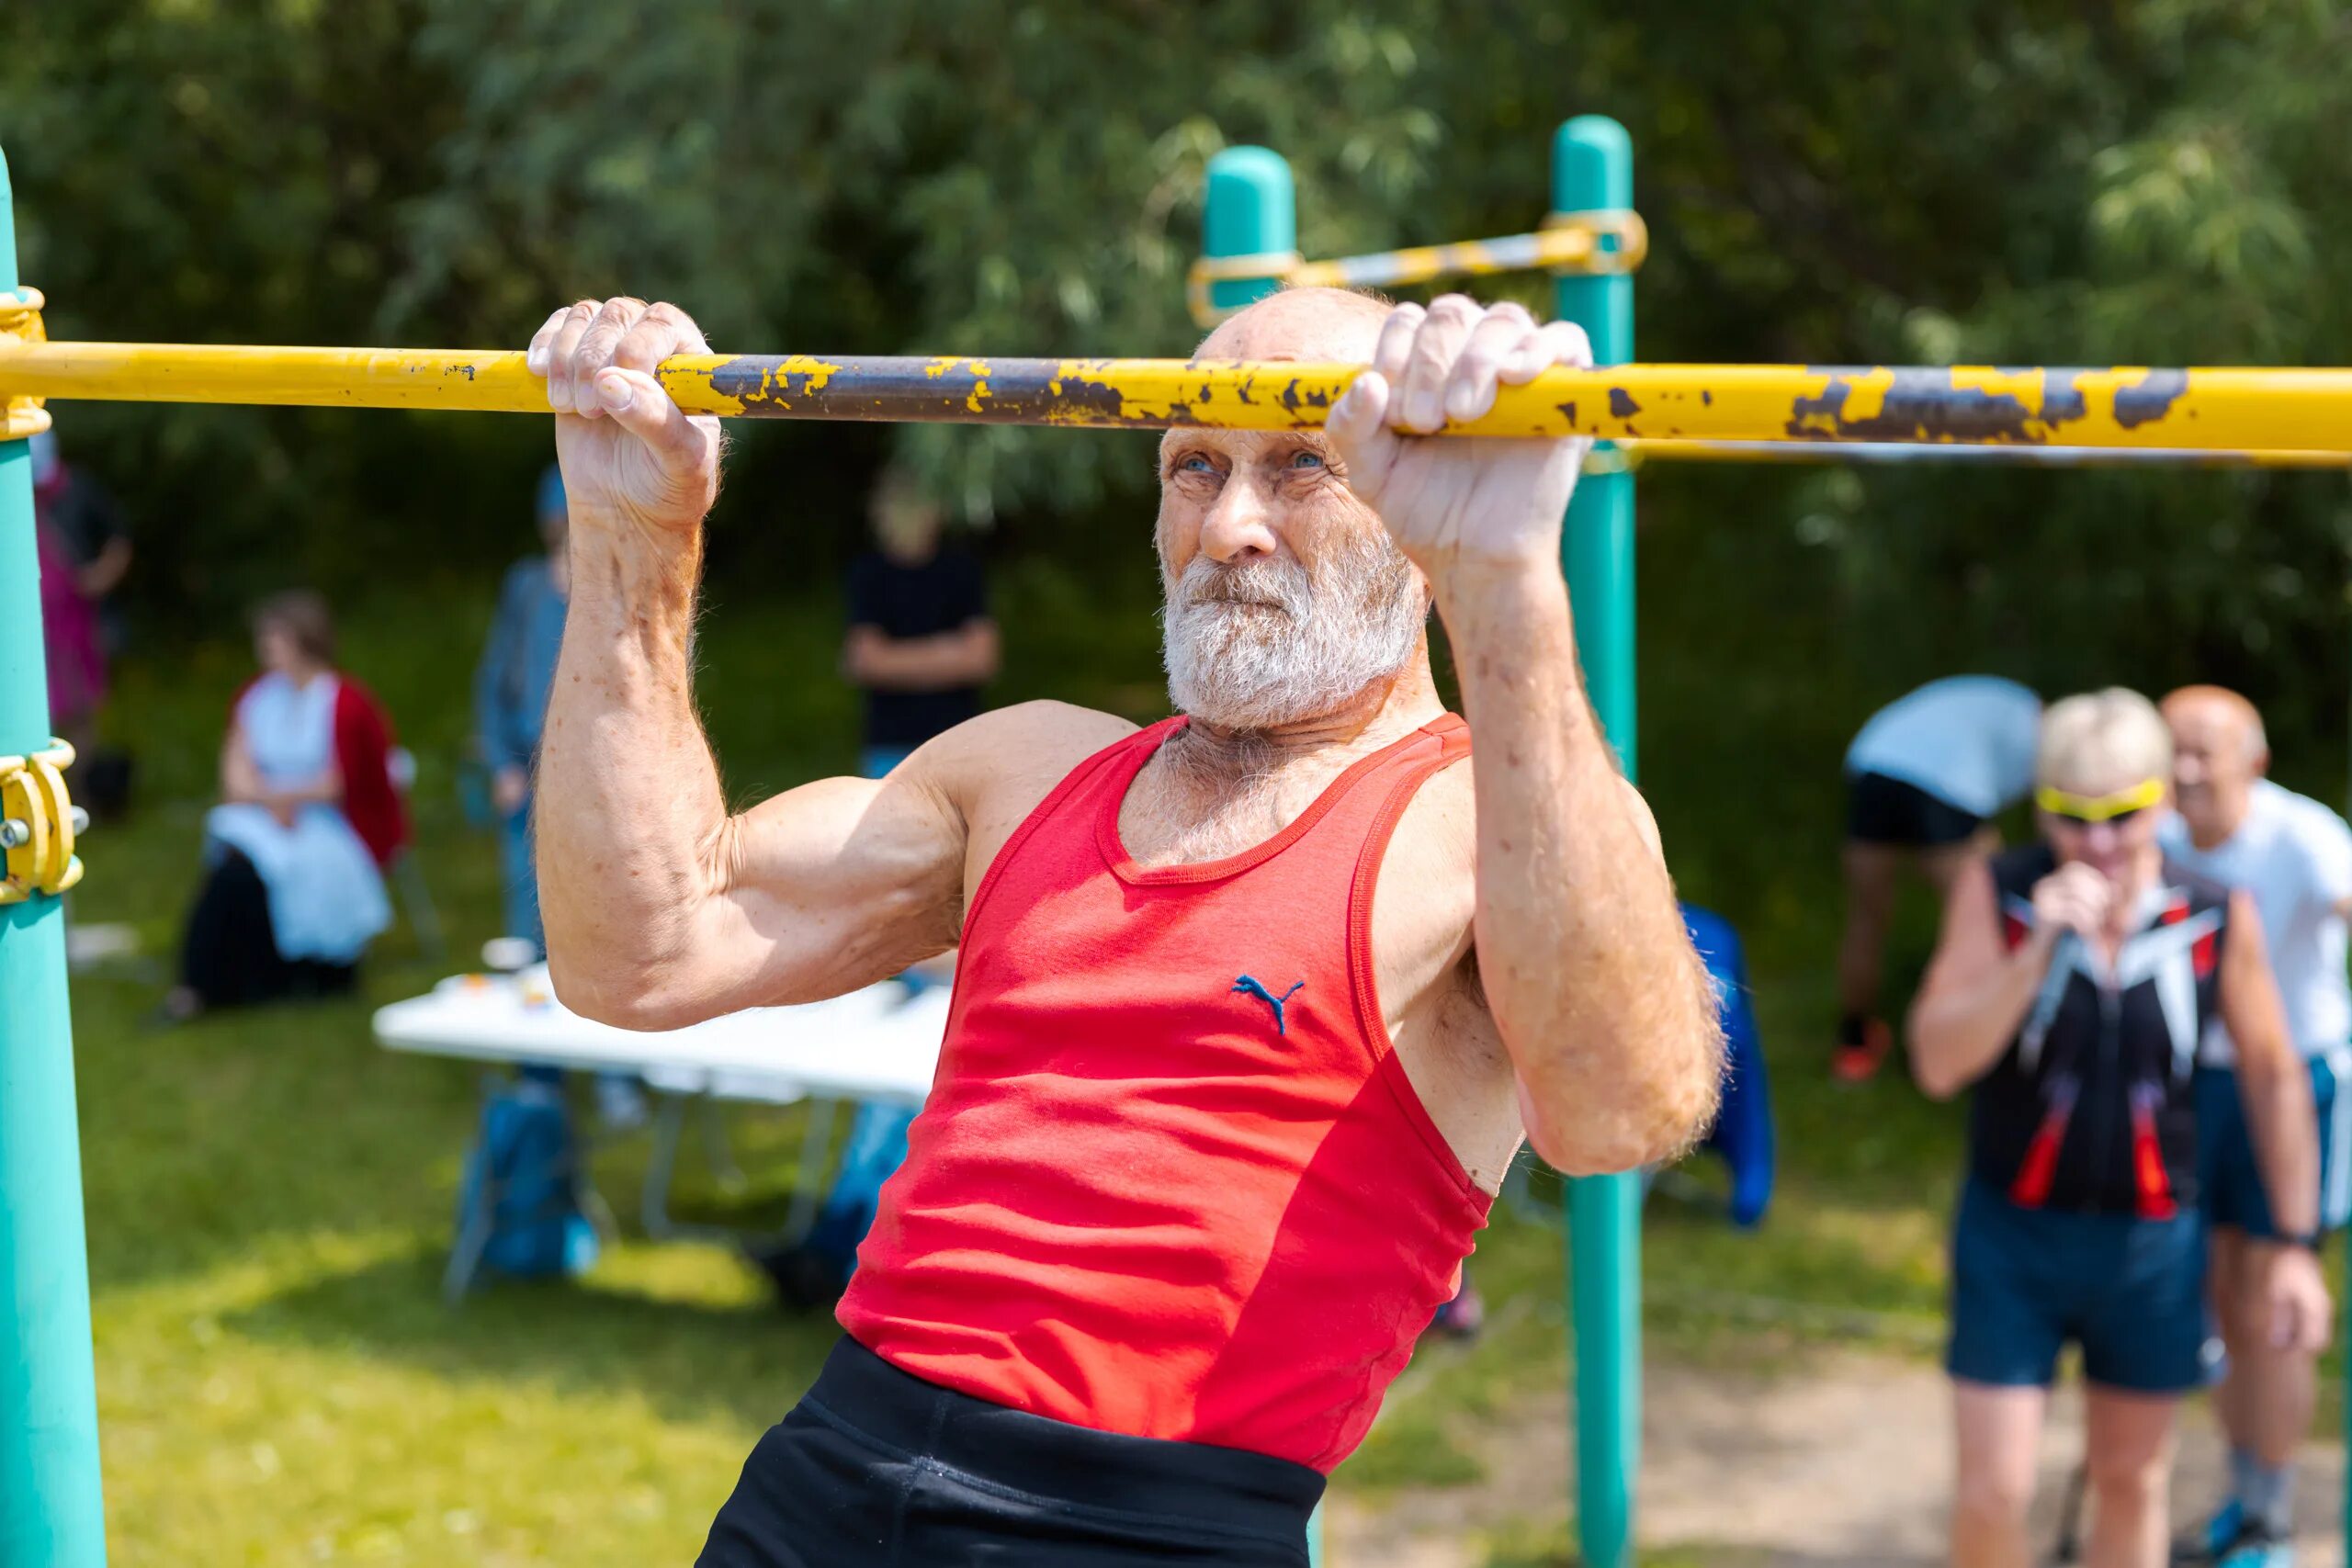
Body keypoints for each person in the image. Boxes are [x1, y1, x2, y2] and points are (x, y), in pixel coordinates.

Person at [525, 286, 1725, 1565]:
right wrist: (629, 534)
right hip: (829, 1477)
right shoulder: (1027, 768)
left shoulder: (1480, 816)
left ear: (1417, 523)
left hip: (1143, 1522)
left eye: (1304, 464)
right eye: (1194, 465)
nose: (1231, 526)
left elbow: (1624, 1110)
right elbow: (643, 949)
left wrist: (1503, 587)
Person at [1907, 688, 2328, 1568]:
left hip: (2149, 1246)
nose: (2097, 840)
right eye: (2071, 815)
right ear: (2041, 804)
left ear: (2160, 800)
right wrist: (2031, 957)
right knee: (1995, 1488)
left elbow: (2274, 1076)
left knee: (2133, 1478)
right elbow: (1938, 1063)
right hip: (2012, 1237)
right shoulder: (2003, 892)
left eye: (2122, 815)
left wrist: (2293, 1243)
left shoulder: (2212, 910)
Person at [2158, 685, 2352, 1568]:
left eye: (2205, 750)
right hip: (2190, 1084)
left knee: (2276, 1289)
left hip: (2294, 1082)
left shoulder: (2303, 835)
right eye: (2173, 749)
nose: (2186, 769)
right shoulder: (2148, 833)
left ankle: (2274, 1516)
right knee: (2214, 1293)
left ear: (2255, 761)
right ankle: (2243, 1490)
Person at [164, 592, 406, 1020]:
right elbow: (234, 776)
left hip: (330, 822)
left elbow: (339, 782)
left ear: (304, 639)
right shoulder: (254, 698)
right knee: (239, 865)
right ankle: (221, 977)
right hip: (265, 815)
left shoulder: (344, 701)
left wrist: (282, 799)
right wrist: (272, 802)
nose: (265, 646)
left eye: (274, 636)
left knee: (293, 867)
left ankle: (253, 976)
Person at [1838, 675, 2043, 1081]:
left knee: (1866, 919)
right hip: (1946, 783)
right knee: (1982, 924)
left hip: (1873, 765)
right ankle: (1971, 1049)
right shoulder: (2047, 730)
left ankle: (1853, 1046)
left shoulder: (1997, 700)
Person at [844, 467, 999, 778]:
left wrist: (897, 660)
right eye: (896, 503)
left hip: (960, 741)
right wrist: (948, 653)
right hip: (890, 748)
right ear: (878, 511)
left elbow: (982, 660)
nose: (906, 514)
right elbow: (866, 661)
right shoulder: (869, 574)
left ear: (937, 510)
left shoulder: (962, 570)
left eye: (916, 503)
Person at [476, 464, 572, 956]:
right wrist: (499, 763)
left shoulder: (616, 583)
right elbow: (495, 680)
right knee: (525, 885)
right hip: (525, 760)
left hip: (590, 767)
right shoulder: (526, 586)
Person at [29, 429, 132, 788]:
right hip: (26, 626)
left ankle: (75, 790)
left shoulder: (78, 488)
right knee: (32, 708)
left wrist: (100, 577)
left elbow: (118, 539)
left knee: (79, 707)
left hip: (75, 622)